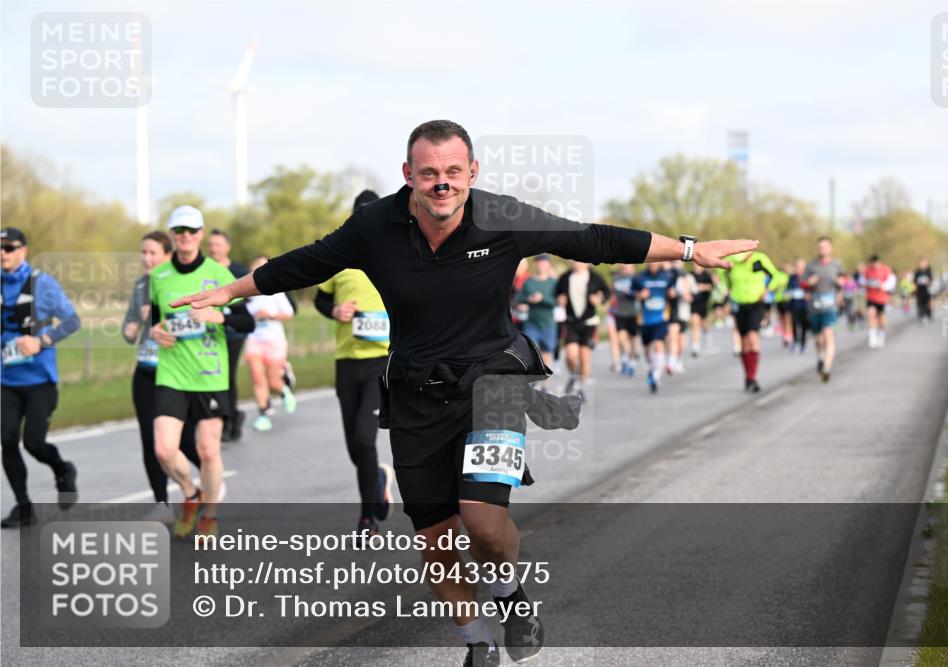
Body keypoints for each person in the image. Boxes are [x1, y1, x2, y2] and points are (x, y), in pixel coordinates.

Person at [169, 120, 755, 666]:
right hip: (416, 393)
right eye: (428, 173)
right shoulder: (375, 227)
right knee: (438, 541)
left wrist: (688, 249)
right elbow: (304, 265)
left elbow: (592, 238)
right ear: (408, 176)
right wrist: (231, 292)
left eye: (453, 171)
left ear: (472, 172)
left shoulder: (502, 217)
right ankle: (477, 643)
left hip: (495, 381)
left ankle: (510, 591)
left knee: (480, 519)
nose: (441, 182)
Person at [149, 207, 255, 539]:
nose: (185, 235)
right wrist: (155, 331)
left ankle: (209, 515)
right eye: (178, 229)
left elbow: (247, 321)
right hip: (172, 372)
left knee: (209, 451)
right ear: (171, 233)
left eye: (191, 230)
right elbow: (156, 318)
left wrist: (218, 317)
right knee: (164, 449)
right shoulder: (159, 276)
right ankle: (190, 493)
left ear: (200, 234)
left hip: (210, 374)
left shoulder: (220, 275)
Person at [314, 189, 395, 539]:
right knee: (354, 446)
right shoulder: (340, 258)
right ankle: (377, 479)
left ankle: (367, 520)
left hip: (381, 362)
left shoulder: (396, 255)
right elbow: (320, 299)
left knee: (365, 439)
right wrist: (335, 310)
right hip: (346, 362)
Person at [1, 227, 80, 528]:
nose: (3, 253)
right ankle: (23, 506)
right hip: (6, 380)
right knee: (7, 440)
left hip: (39, 381)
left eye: (9, 247)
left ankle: (63, 469)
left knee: (33, 442)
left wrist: (41, 341)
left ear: (24, 250)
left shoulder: (42, 284)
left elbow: (72, 321)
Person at [122, 231, 201, 522]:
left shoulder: (178, 282)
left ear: (168, 255)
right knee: (150, 441)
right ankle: (162, 502)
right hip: (146, 370)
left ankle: (207, 485)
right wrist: (137, 322)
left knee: (185, 440)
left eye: (153, 253)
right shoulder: (141, 284)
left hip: (178, 371)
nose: (147, 258)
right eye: (143, 252)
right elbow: (128, 332)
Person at [718, 249, 788, 392]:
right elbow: (721, 273)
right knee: (744, 342)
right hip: (738, 303)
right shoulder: (732, 261)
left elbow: (778, 276)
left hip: (756, 302)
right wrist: (729, 286)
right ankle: (748, 378)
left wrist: (767, 289)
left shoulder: (759, 259)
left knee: (752, 336)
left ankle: (753, 376)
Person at [243, 255, 297, 432]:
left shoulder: (277, 291)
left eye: (263, 266)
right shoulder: (247, 294)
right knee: (257, 376)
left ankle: (283, 389)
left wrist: (270, 315)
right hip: (254, 339)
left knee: (273, 381)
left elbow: (289, 313)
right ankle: (264, 414)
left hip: (274, 339)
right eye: (256, 267)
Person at [207, 228, 250, 442]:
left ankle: (230, 418)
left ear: (227, 247)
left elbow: (246, 305)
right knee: (212, 376)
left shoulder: (237, 271)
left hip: (233, 333)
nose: (213, 248)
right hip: (209, 334)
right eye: (211, 245)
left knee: (227, 376)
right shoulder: (204, 271)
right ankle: (227, 416)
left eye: (218, 244)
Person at [556, 261, 608, 401]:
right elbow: (557, 293)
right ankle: (574, 375)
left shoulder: (595, 277)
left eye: (580, 260)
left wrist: (599, 299)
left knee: (585, 358)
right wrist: (560, 299)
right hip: (572, 322)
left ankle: (581, 386)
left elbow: (606, 293)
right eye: (575, 260)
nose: (577, 263)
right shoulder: (565, 277)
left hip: (589, 323)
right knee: (571, 355)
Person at [804, 236, 845, 383]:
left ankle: (827, 368)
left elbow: (843, 283)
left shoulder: (837, 265)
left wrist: (840, 286)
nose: (822, 249)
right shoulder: (811, 266)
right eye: (820, 247)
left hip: (830, 307)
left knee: (829, 335)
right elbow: (803, 284)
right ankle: (821, 357)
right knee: (819, 339)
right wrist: (809, 283)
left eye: (825, 246)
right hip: (815, 307)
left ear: (830, 248)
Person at [633, 261, 671, 393]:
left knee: (658, 344)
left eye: (655, 262)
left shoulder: (667, 276)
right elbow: (631, 293)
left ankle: (656, 376)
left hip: (660, 318)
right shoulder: (639, 277)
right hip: (645, 319)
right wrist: (640, 295)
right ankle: (652, 367)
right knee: (648, 351)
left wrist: (672, 294)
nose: (653, 264)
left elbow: (673, 291)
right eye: (650, 262)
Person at [517, 254, 558, 370]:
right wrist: (527, 301)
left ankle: (543, 384)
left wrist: (542, 298)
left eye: (543, 262)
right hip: (531, 323)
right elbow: (519, 299)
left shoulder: (553, 283)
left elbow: (557, 302)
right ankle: (532, 379)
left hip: (548, 323)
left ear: (548, 264)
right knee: (530, 352)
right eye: (539, 262)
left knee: (546, 352)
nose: (540, 264)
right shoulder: (528, 282)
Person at [608, 263, 640, 375]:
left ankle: (633, 358)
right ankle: (626, 357)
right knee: (621, 337)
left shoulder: (636, 278)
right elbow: (612, 293)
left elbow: (642, 293)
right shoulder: (616, 278)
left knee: (633, 339)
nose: (626, 268)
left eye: (629, 266)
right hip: (620, 312)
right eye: (624, 266)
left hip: (633, 312)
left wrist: (635, 294)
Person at [665, 260, 693, 374]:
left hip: (683, 311)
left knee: (681, 340)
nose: (675, 264)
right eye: (673, 262)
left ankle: (678, 360)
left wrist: (681, 293)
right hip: (671, 311)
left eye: (678, 262)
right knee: (671, 337)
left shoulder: (686, 277)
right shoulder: (667, 275)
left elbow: (689, 296)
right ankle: (671, 360)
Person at [863, 255, 895, 349]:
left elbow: (892, 282)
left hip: (882, 298)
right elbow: (862, 281)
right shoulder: (867, 270)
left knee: (881, 318)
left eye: (875, 263)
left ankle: (881, 335)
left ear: (879, 262)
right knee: (871, 315)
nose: (873, 265)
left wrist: (883, 286)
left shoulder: (886, 270)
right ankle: (872, 337)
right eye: (871, 264)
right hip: (871, 297)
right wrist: (865, 284)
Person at [689, 263, 714, 357]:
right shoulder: (690, 275)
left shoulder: (706, 275)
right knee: (695, 323)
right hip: (693, 304)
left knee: (704, 323)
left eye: (697, 265)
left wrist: (703, 287)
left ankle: (707, 334)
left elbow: (712, 286)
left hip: (703, 303)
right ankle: (695, 346)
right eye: (694, 264)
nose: (696, 266)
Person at [787, 259, 810, 353]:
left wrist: (808, 294)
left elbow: (812, 289)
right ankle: (795, 341)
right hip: (794, 304)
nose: (799, 269)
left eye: (801, 267)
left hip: (805, 305)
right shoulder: (792, 277)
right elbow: (788, 289)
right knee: (794, 324)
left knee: (804, 325)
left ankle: (803, 344)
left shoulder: (807, 277)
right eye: (798, 266)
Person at [913, 257, 933, 323]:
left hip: (927, 290)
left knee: (928, 304)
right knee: (920, 304)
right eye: (920, 264)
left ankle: (928, 315)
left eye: (923, 263)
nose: (921, 265)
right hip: (920, 290)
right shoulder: (917, 272)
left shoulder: (929, 271)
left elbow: (931, 279)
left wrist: (928, 282)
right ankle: (921, 315)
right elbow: (914, 281)